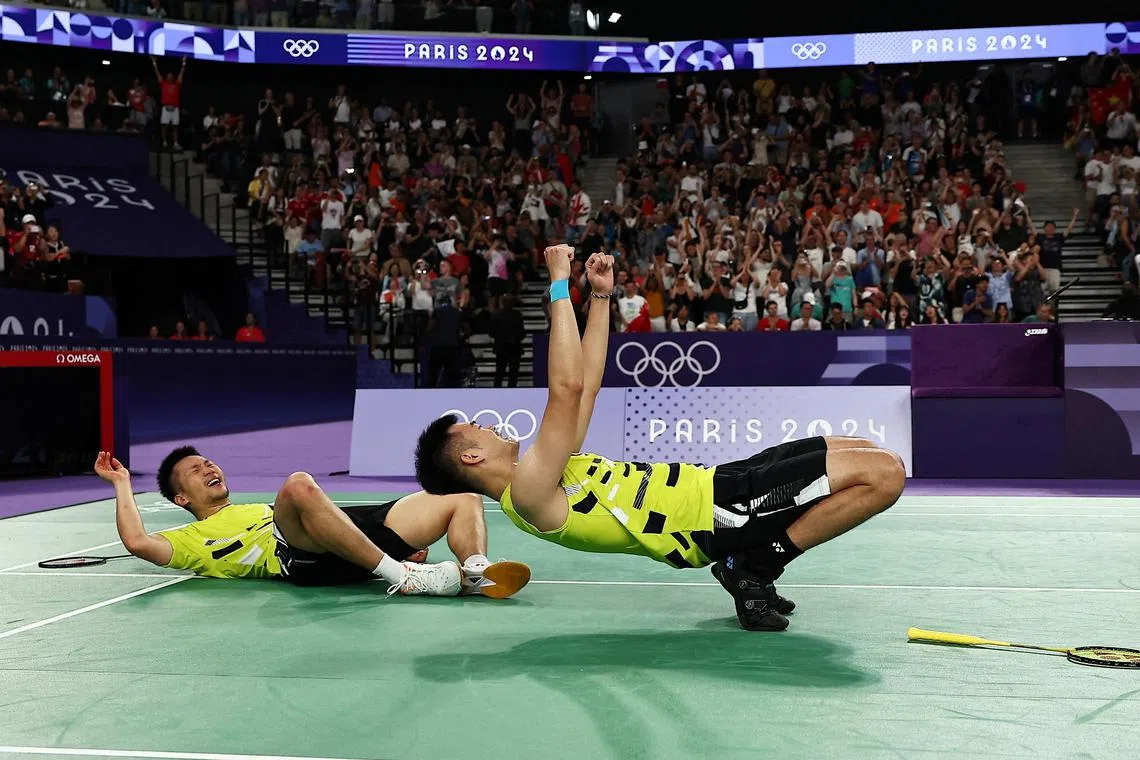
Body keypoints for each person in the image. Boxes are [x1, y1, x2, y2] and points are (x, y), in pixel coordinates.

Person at [413, 245, 906, 632]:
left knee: (867, 452)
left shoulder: (542, 472)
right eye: (475, 428)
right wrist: (558, 284)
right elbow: (565, 388)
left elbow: (587, 385)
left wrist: (600, 298)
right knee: (884, 476)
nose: (487, 424)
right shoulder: (528, 493)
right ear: (471, 456)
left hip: (716, 484)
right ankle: (755, 567)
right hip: (717, 516)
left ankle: (749, 565)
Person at [93, 448, 529, 598]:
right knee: (299, 485)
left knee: (459, 495)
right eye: (194, 470)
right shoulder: (190, 540)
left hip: (343, 537)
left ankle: (477, 571)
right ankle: (403, 576)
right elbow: (137, 541)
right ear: (182, 498)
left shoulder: (256, 508)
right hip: (298, 558)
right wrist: (122, 483)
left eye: (208, 462)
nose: (208, 467)